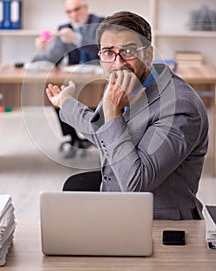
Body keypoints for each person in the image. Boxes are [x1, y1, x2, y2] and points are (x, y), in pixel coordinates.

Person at [46, 11, 209, 220]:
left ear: (148, 54)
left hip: (158, 222)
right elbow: (102, 132)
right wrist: (66, 104)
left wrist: (113, 112)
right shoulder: (125, 81)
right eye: (108, 52)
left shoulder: (180, 107)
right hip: (119, 204)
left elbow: (136, 183)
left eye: (129, 51)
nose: (117, 62)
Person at [33, 0, 104, 158]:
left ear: (85, 8)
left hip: (98, 79)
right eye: (69, 11)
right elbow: (52, 60)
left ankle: (97, 138)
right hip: (75, 78)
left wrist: (78, 39)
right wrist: (42, 50)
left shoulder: (100, 24)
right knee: (57, 93)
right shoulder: (64, 27)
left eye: (77, 9)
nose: (73, 15)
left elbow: (101, 53)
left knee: (94, 101)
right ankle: (73, 138)